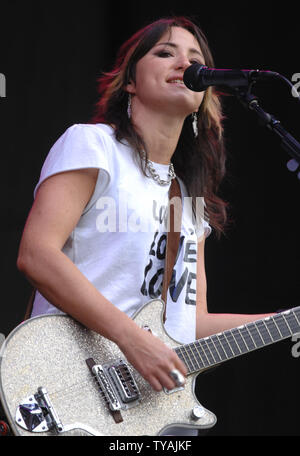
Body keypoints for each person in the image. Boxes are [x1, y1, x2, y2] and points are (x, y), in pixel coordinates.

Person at [17, 16, 274, 435]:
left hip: (138, 414)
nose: (183, 63)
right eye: (164, 52)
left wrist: (286, 319)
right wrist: (133, 340)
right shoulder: (94, 145)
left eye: (195, 59)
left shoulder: (188, 202)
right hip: (62, 379)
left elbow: (187, 325)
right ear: (130, 82)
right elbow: (36, 254)